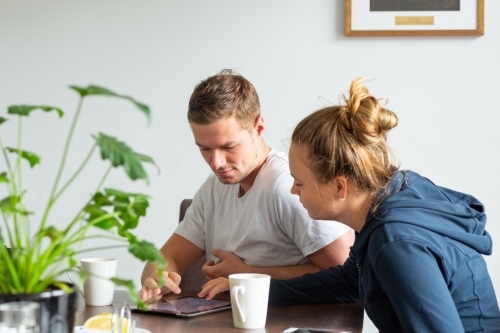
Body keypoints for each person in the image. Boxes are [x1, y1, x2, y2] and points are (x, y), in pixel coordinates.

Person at [199, 78, 500, 332]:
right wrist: (256, 291)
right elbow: (349, 281)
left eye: (300, 182)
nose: (293, 189)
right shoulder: (394, 196)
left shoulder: (396, 243)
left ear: (340, 186)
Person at [140, 69, 354, 303]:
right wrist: (157, 278)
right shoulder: (214, 187)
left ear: (258, 128)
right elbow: (165, 258)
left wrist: (246, 275)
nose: (216, 163)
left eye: (228, 146)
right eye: (205, 148)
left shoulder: (287, 187)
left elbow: (347, 275)